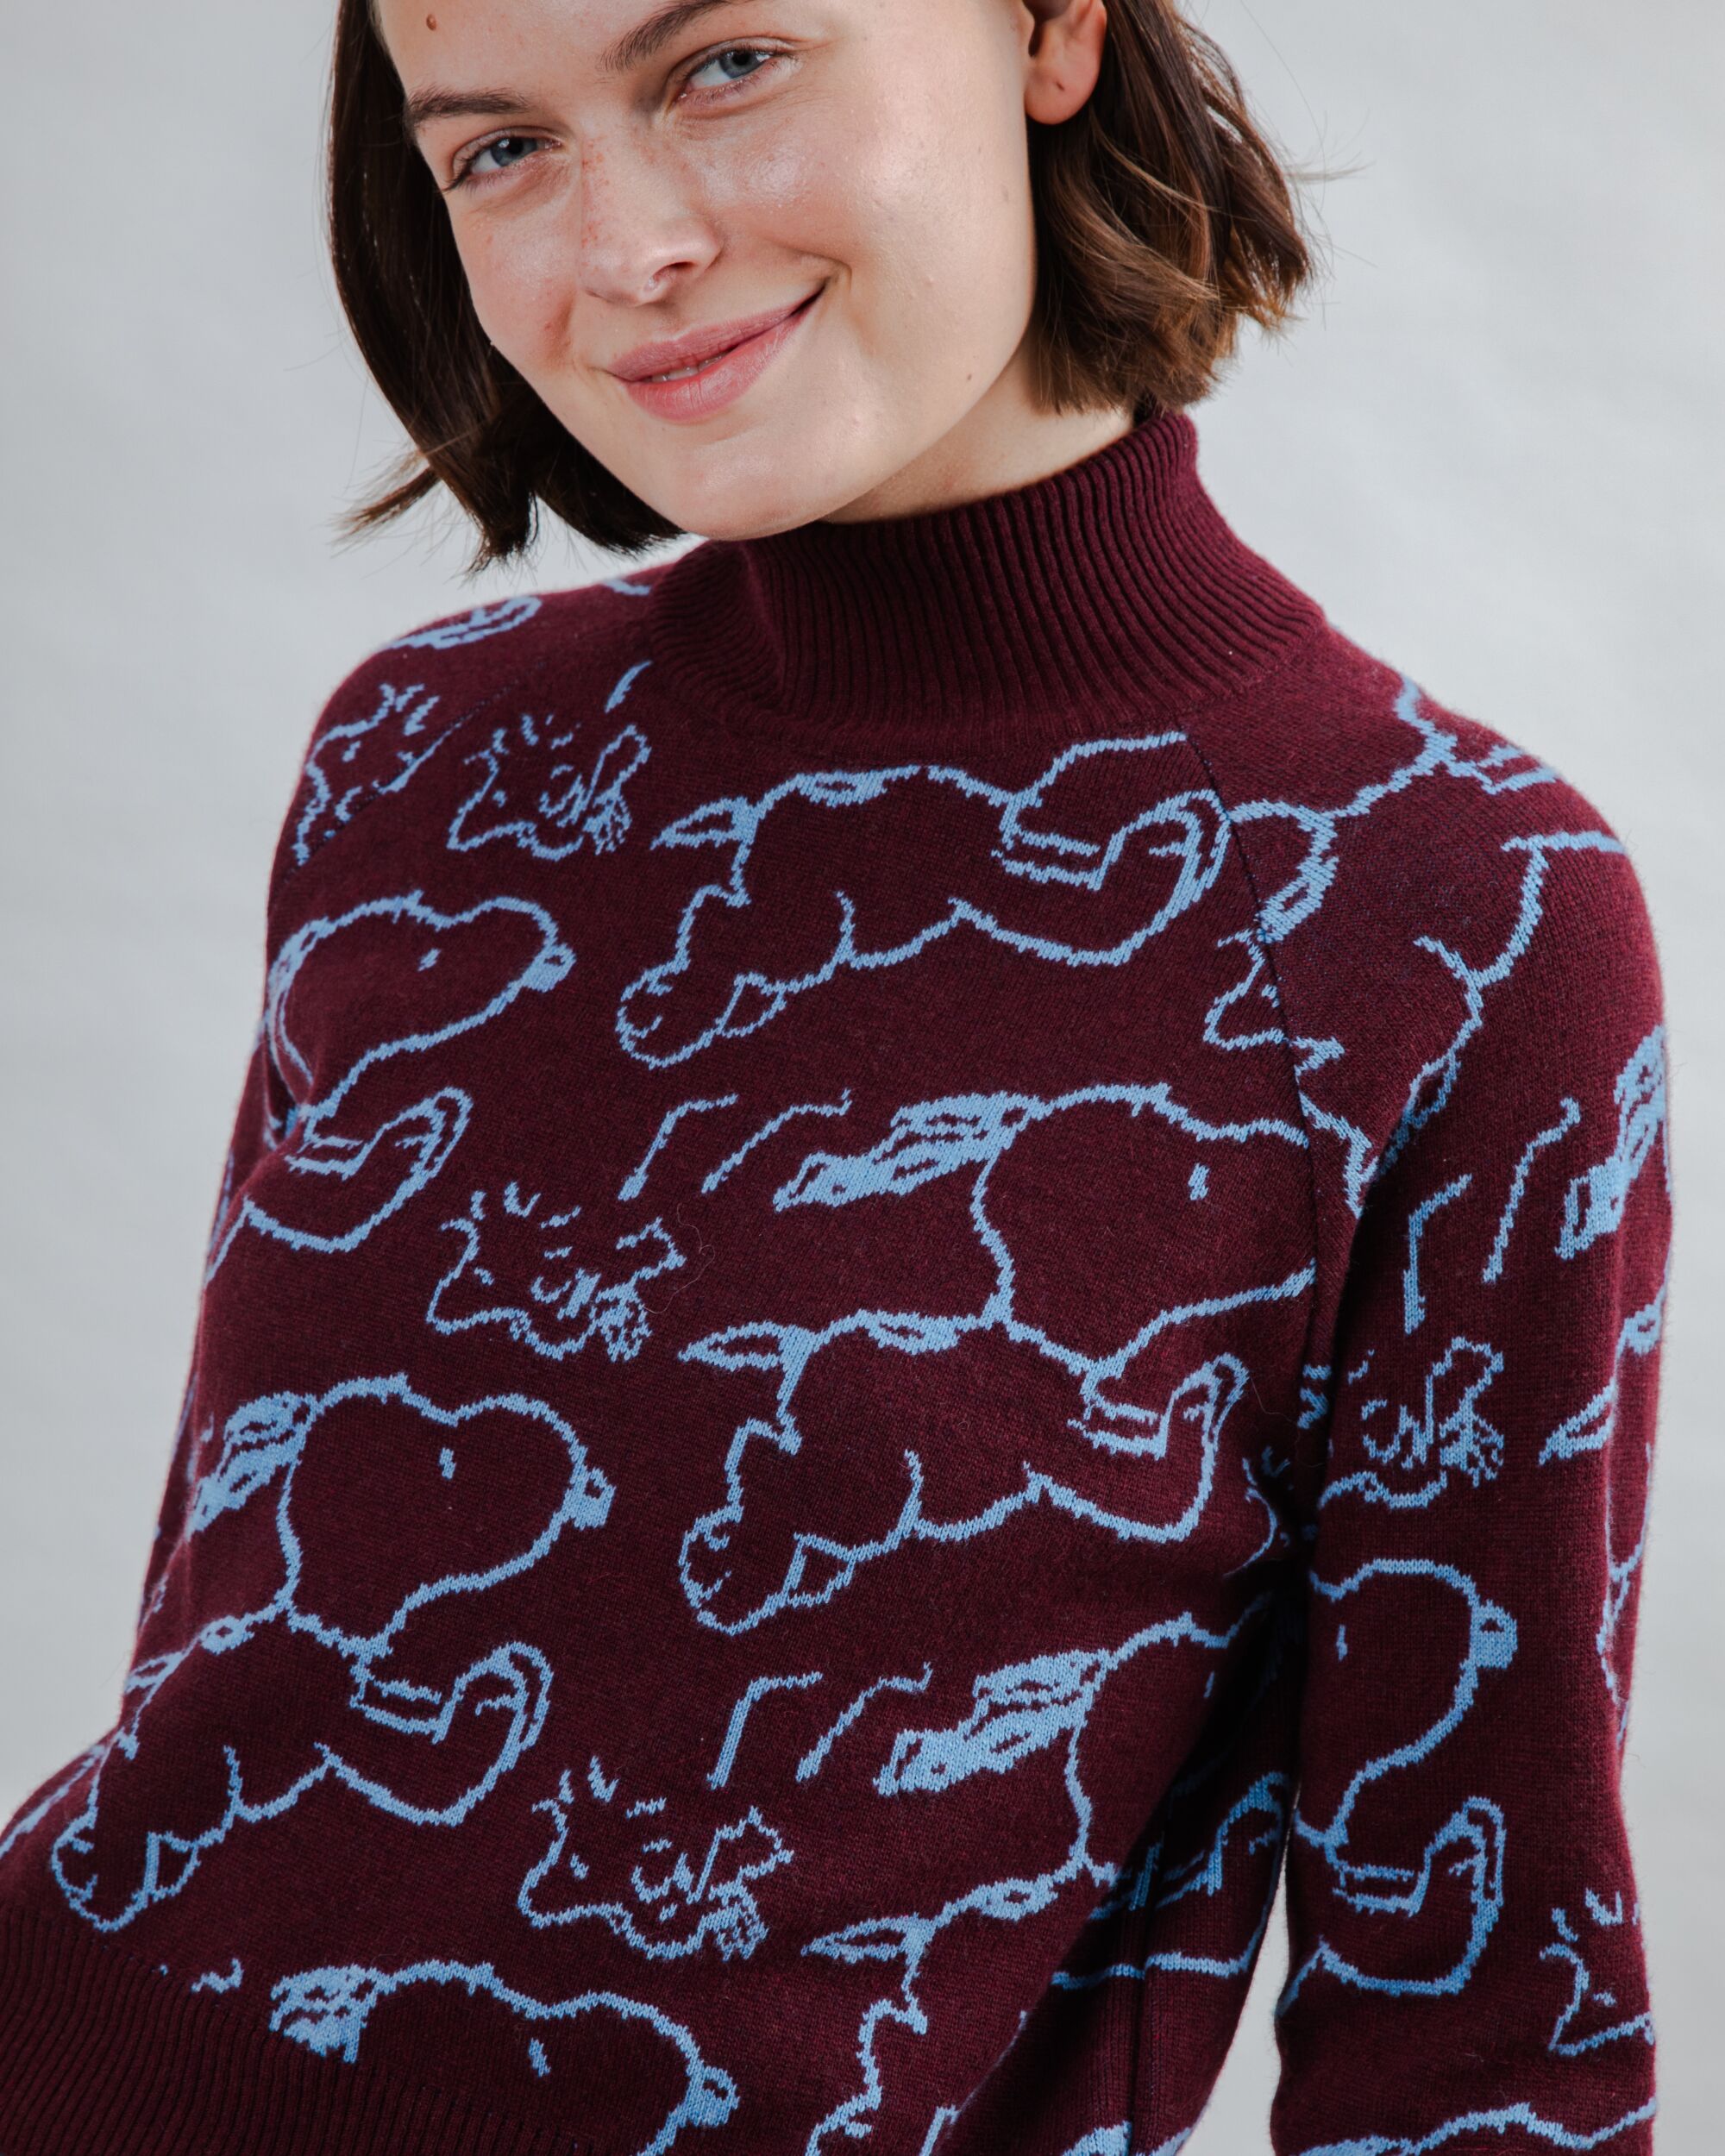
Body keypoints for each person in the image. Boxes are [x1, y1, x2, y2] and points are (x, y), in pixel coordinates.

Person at [0, 2, 1671, 2152]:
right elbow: (229, 1663)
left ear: (1051, 28)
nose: (626, 249)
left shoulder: (1448, 910)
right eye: (498, 149)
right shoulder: (423, 757)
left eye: (723, 66)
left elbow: (1482, 2033)